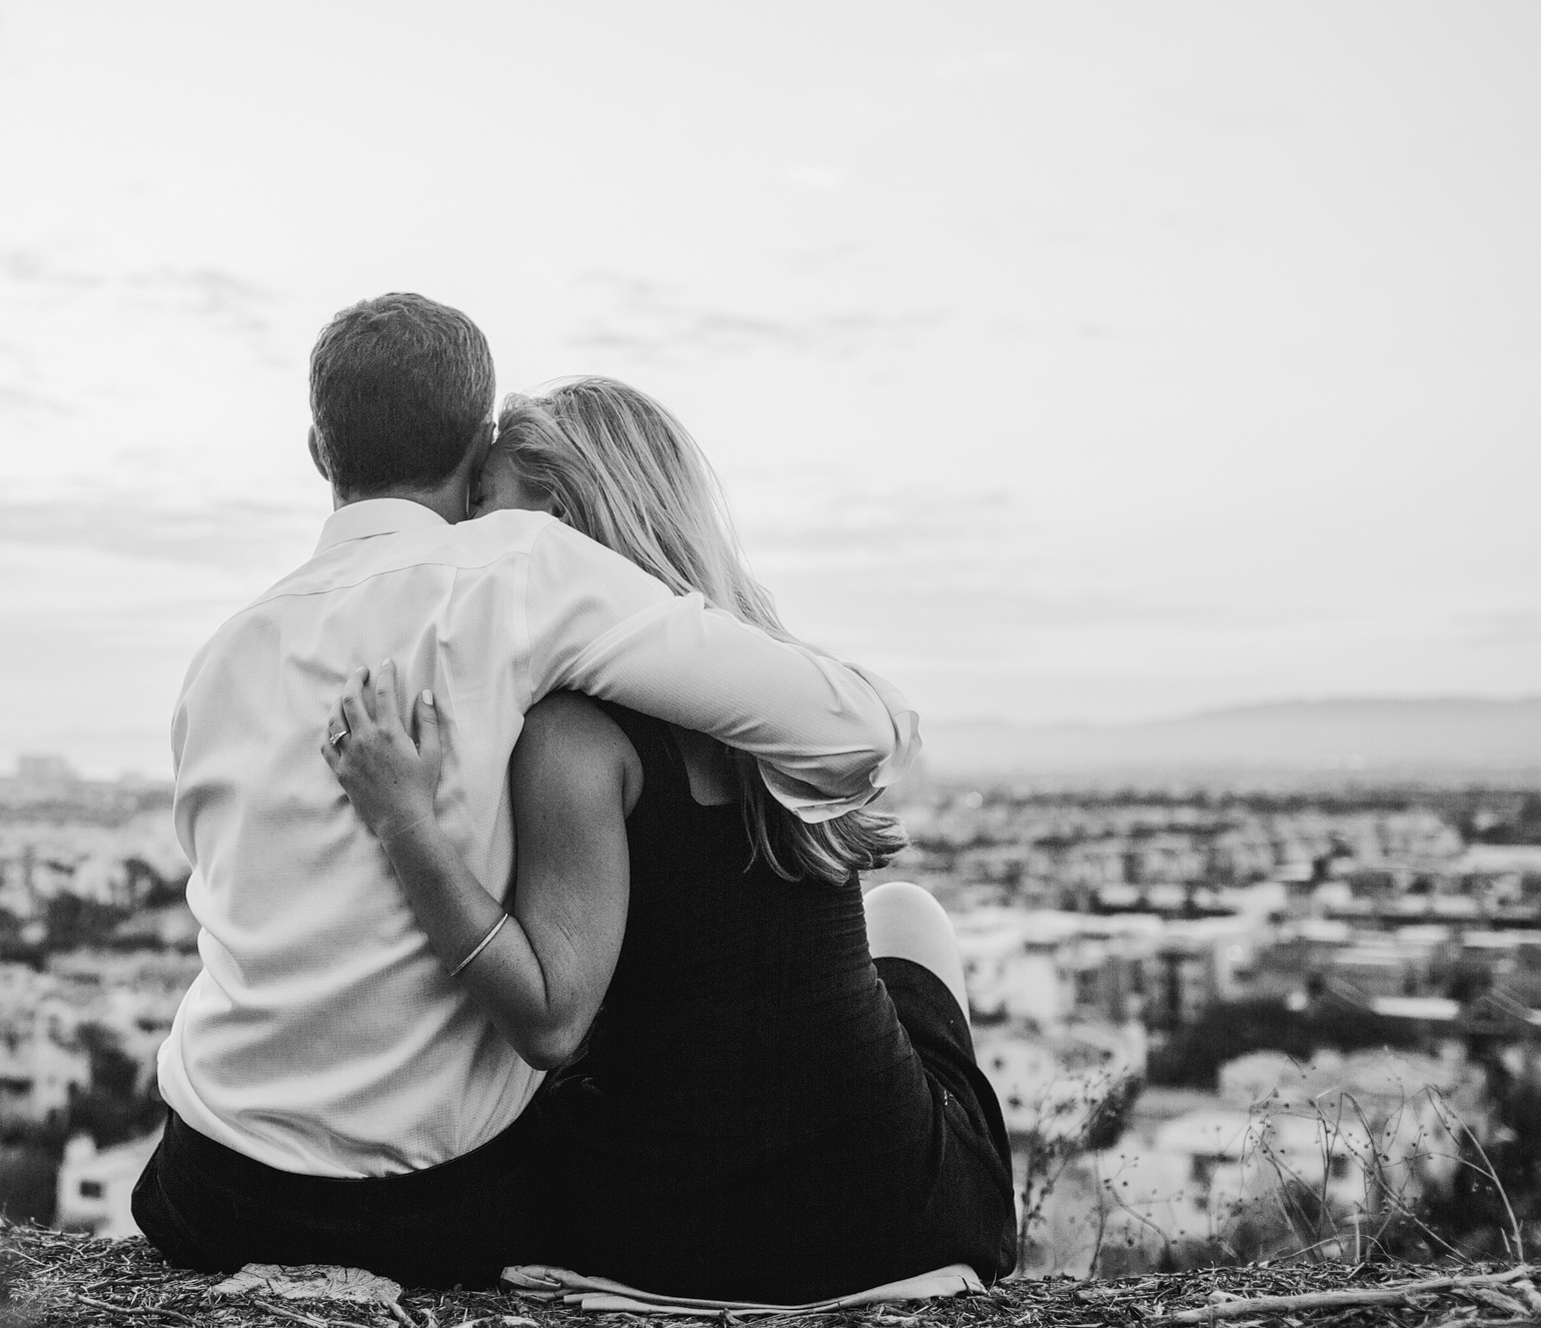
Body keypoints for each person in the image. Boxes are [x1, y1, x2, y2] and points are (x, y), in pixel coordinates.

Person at [132, 295, 920, 1287]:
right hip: (424, 1207)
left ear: (314, 448)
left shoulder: (221, 655)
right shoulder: (518, 573)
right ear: (476, 448)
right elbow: (854, 728)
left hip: (208, 1182)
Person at [326, 376, 1016, 1301]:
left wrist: (404, 822)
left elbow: (549, 1023)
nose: (465, 534)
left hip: (677, 1231)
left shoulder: (573, 734)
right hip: (892, 1209)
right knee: (912, 914)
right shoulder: (769, 695)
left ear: (557, 519)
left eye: (488, 505)